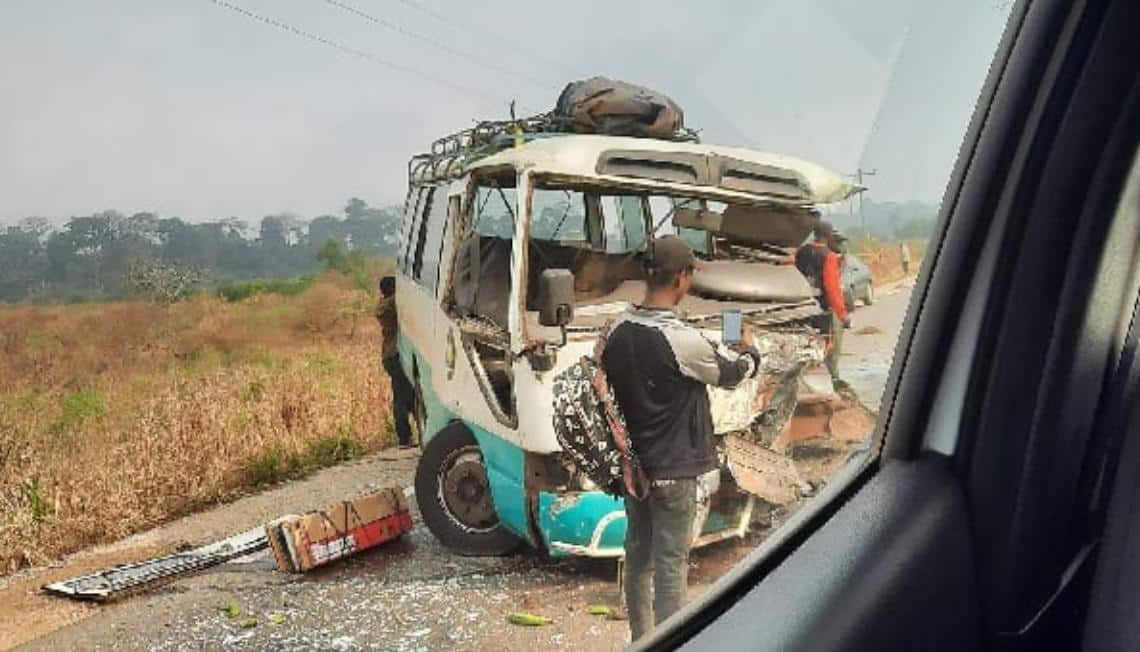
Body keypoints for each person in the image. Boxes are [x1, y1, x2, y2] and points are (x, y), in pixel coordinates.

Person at [601, 236, 762, 641]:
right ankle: (671, 642)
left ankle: (641, 640)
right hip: (675, 471)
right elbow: (730, 375)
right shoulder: (682, 340)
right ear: (681, 278)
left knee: (638, 557)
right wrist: (749, 351)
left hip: (634, 469)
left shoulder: (617, 329)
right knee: (671, 564)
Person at [795, 221, 850, 385]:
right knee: (831, 345)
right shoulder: (828, 256)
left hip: (802, 307)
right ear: (828, 236)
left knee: (806, 345)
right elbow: (832, 289)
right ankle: (833, 379)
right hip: (823, 309)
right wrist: (842, 315)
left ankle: (802, 379)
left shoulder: (801, 252)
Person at [375, 276, 415, 449]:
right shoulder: (394, 304)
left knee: (407, 394)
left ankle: (417, 432)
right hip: (397, 354)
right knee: (403, 396)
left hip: (389, 355)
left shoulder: (383, 306)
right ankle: (404, 437)